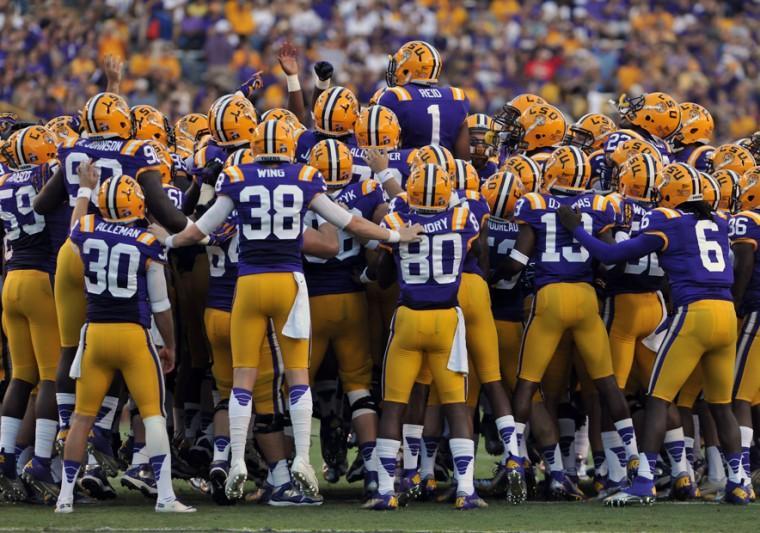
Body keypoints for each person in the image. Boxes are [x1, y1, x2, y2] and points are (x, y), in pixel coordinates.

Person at [148, 119, 422, 501]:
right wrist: (395, 235)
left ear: (256, 147)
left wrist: (167, 239)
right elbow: (350, 222)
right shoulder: (304, 175)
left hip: (249, 285)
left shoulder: (237, 176)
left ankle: (238, 463)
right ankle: (301, 465)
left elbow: (198, 231)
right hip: (290, 284)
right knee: (296, 377)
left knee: (242, 378)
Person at [557, 162, 751, 506]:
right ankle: (739, 482)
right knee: (722, 407)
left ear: (671, 195)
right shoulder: (719, 223)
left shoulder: (669, 223)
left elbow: (610, 254)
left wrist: (577, 229)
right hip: (725, 314)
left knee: (658, 399)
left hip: (695, 313)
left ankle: (644, 480)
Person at [55, 160, 194, 513]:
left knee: (82, 418)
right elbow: (161, 305)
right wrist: (170, 344)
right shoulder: (148, 241)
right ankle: (164, 496)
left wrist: (85, 191)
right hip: (133, 337)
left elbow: (75, 232)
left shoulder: (86, 229)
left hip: (96, 337)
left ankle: (65, 497)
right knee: (153, 415)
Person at [366, 163, 485, 511]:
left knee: (394, 405)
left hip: (408, 319)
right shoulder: (463, 218)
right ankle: (466, 489)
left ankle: (386, 490)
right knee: (456, 405)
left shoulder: (396, 222)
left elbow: (383, 277)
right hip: (447, 319)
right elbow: (476, 255)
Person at [0, 126, 60, 503]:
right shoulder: (45, 175)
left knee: (21, 377)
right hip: (41, 279)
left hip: (12, 280)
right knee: (52, 376)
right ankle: (39, 462)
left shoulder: (4, 180)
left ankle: (5, 459)